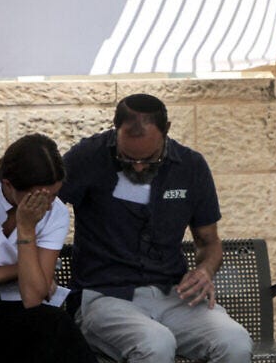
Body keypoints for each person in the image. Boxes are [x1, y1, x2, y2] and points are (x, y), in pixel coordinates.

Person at [58, 93, 252, 363]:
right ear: (115, 131)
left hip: (172, 294)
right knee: (155, 344)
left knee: (235, 342)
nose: (137, 167)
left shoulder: (191, 167)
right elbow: (43, 207)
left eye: (149, 159)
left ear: (167, 131)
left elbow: (209, 243)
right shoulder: (88, 157)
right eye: (127, 158)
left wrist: (205, 271)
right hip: (105, 296)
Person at [0, 133, 95, 363]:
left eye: (54, 195)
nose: (48, 204)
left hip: (22, 311)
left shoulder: (57, 213)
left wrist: (26, 229)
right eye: (39, 196)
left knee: (55, 325)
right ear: (8, 184)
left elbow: (33, 297)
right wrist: (24, 268)